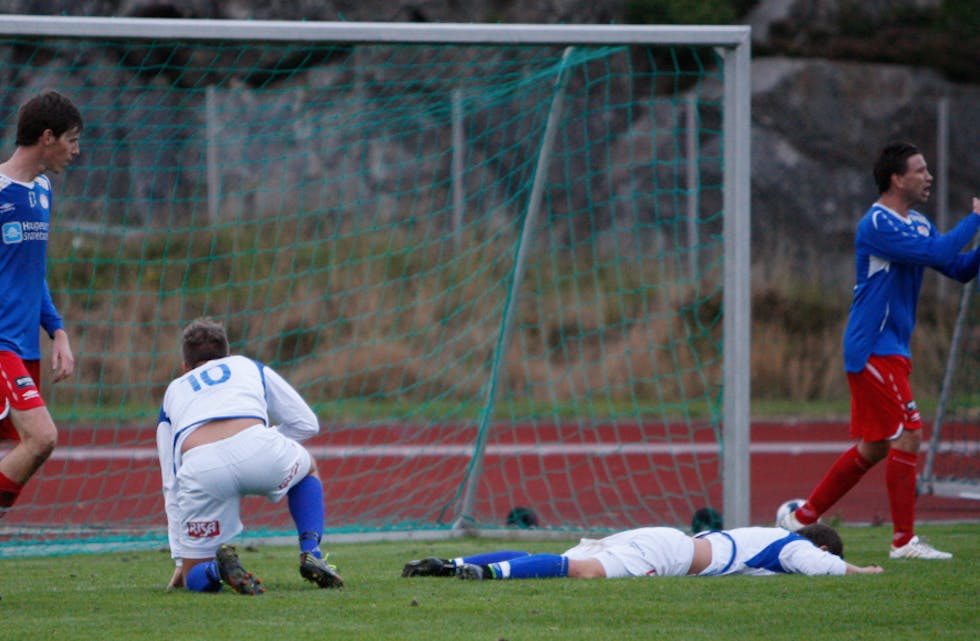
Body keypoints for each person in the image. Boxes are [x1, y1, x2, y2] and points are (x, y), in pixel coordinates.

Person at [778, 142, 980, 560]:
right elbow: (942, 252)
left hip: (893, 350)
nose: (929, 177)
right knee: (910, 432)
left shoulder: (919, 224)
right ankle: (904, 542)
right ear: (896, 178)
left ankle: (801, 519)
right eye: (920, 170)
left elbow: (956, 268)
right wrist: (975, 218)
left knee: (876, 447)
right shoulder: (876, 224)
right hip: (870, 346)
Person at [156, 317, 343, 595]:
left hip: (202, 469)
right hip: (259, 448)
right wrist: (263, 439)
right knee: (308, 468)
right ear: (227, 355)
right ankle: (311, 551)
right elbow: (307, 424)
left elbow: (171, 480)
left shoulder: (174, 390)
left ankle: (216, 570)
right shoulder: (247, 366)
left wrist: (181, 557)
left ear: (185, 368)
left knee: (193, 576)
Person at [0, 91, 82, 519]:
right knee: (42, 437)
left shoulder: (43, 191)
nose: (76, 150)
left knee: (14, 450)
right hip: (2, 348)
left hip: (24, 347)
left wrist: (59, 331)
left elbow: (33, 273)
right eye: (71, 139)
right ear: (47, 137)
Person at [401, 523, 884, 580]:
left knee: (553, 554)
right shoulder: (794, 546)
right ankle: (490, 575)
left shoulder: (765, 548)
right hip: (671, 552)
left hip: (662, 538)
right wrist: (861, 570)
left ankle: (457, 563)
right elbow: (815, 563)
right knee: (583, 571)